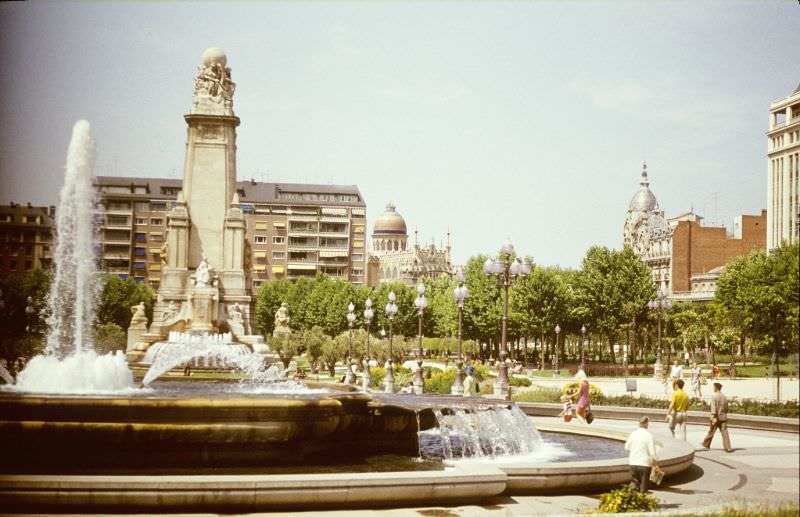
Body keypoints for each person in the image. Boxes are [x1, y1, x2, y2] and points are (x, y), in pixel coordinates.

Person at [625, 416, 659, 493]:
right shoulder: (649, 436)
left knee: (634, 484)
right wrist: (656, 465)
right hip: (644, 464)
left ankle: (630, 500)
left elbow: (626, 447)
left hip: (633, 463)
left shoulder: (633, 434)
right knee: (643, 488)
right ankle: (642, 502)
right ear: (647, 424)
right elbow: (653, 453)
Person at [701, 382, 732, 452]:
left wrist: (713, 417)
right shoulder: (724, 396)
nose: (713, 388)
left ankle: (706, 444)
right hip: (723, 417)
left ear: (716, 388)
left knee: (711, 431)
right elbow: (726, 408)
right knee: (725, 432)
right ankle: (728, 447)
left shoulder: (714, 396)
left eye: (713, 387)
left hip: (716, 417)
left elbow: (713, 408)